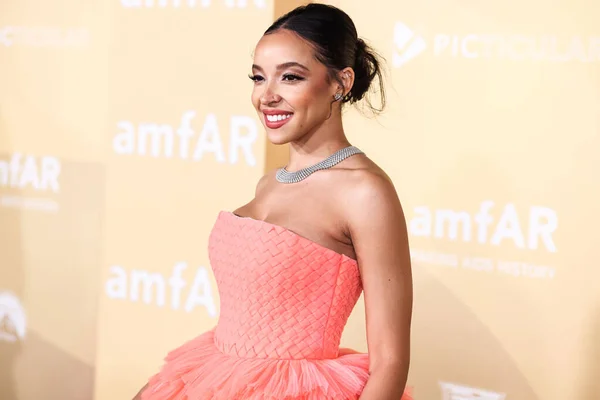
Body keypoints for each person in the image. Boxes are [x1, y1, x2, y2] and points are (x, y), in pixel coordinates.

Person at [134, 3, 413, 399]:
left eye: (291, 77)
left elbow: (390, 362)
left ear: (341, 82)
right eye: (258, 77)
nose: (267, 96)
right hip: (217, 377)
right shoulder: (269, 183)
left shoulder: (365, 192)